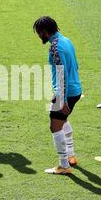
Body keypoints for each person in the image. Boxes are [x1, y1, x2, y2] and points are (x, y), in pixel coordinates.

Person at [33, 16, 82, 175]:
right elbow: (76, 64)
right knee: (62, 121)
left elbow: (62, 76)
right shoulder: (66, 40)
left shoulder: (55, 47)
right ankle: (71, 156)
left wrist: (63, 99)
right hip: (74, 89)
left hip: (65, 93)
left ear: (45, 31)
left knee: (55, 126)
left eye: (39, 33)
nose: (39, 36)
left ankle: (64, 165)